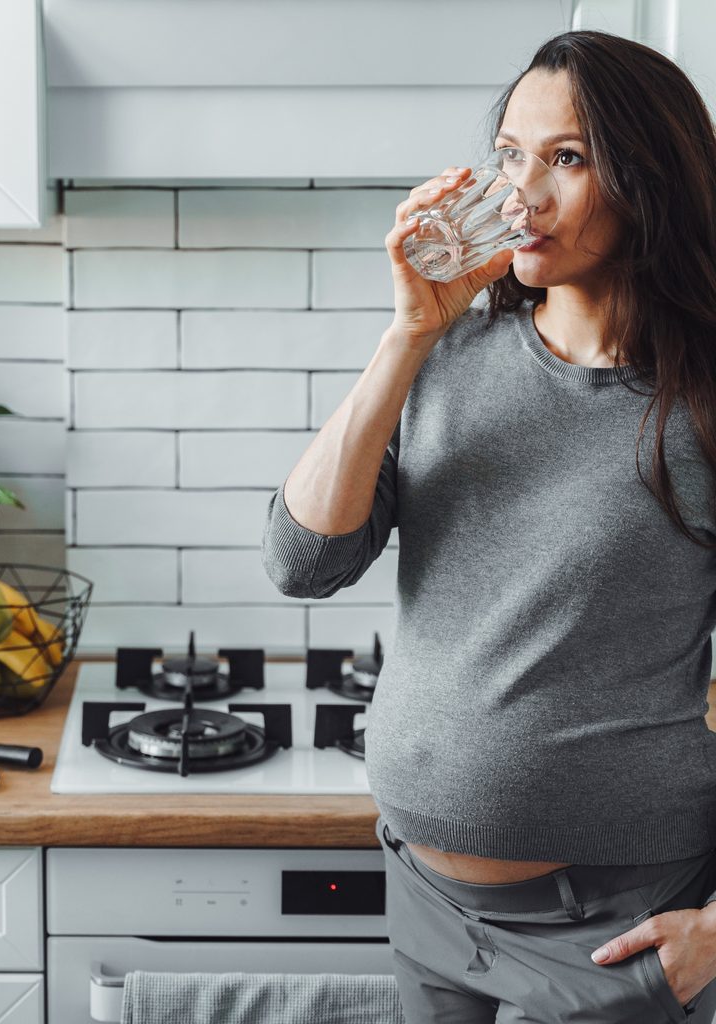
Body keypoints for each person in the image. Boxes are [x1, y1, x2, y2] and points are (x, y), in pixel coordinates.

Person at [261, 29, 716, 1023]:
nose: (524, 195)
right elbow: (302, 562)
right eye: (511, 154)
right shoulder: (448, 350)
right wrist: (406, 336)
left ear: (652, 179)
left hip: (615, 921)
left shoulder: (697, 406)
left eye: (566, 158)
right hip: (427, 901)